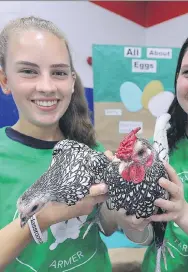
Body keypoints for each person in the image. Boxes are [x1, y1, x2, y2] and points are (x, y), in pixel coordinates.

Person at [102, 25, 188, 271]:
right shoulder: (159, 148)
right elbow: (149, 238)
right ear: (177, 79)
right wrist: (132, 223)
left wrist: (184, 214)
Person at [0, 16, 112, 272]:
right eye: (29, 71)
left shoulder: (90, 151)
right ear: (5, 80)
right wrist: (46, 217)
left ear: (72, 82)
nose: (47, 86)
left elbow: (108, 225)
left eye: (59, 73)